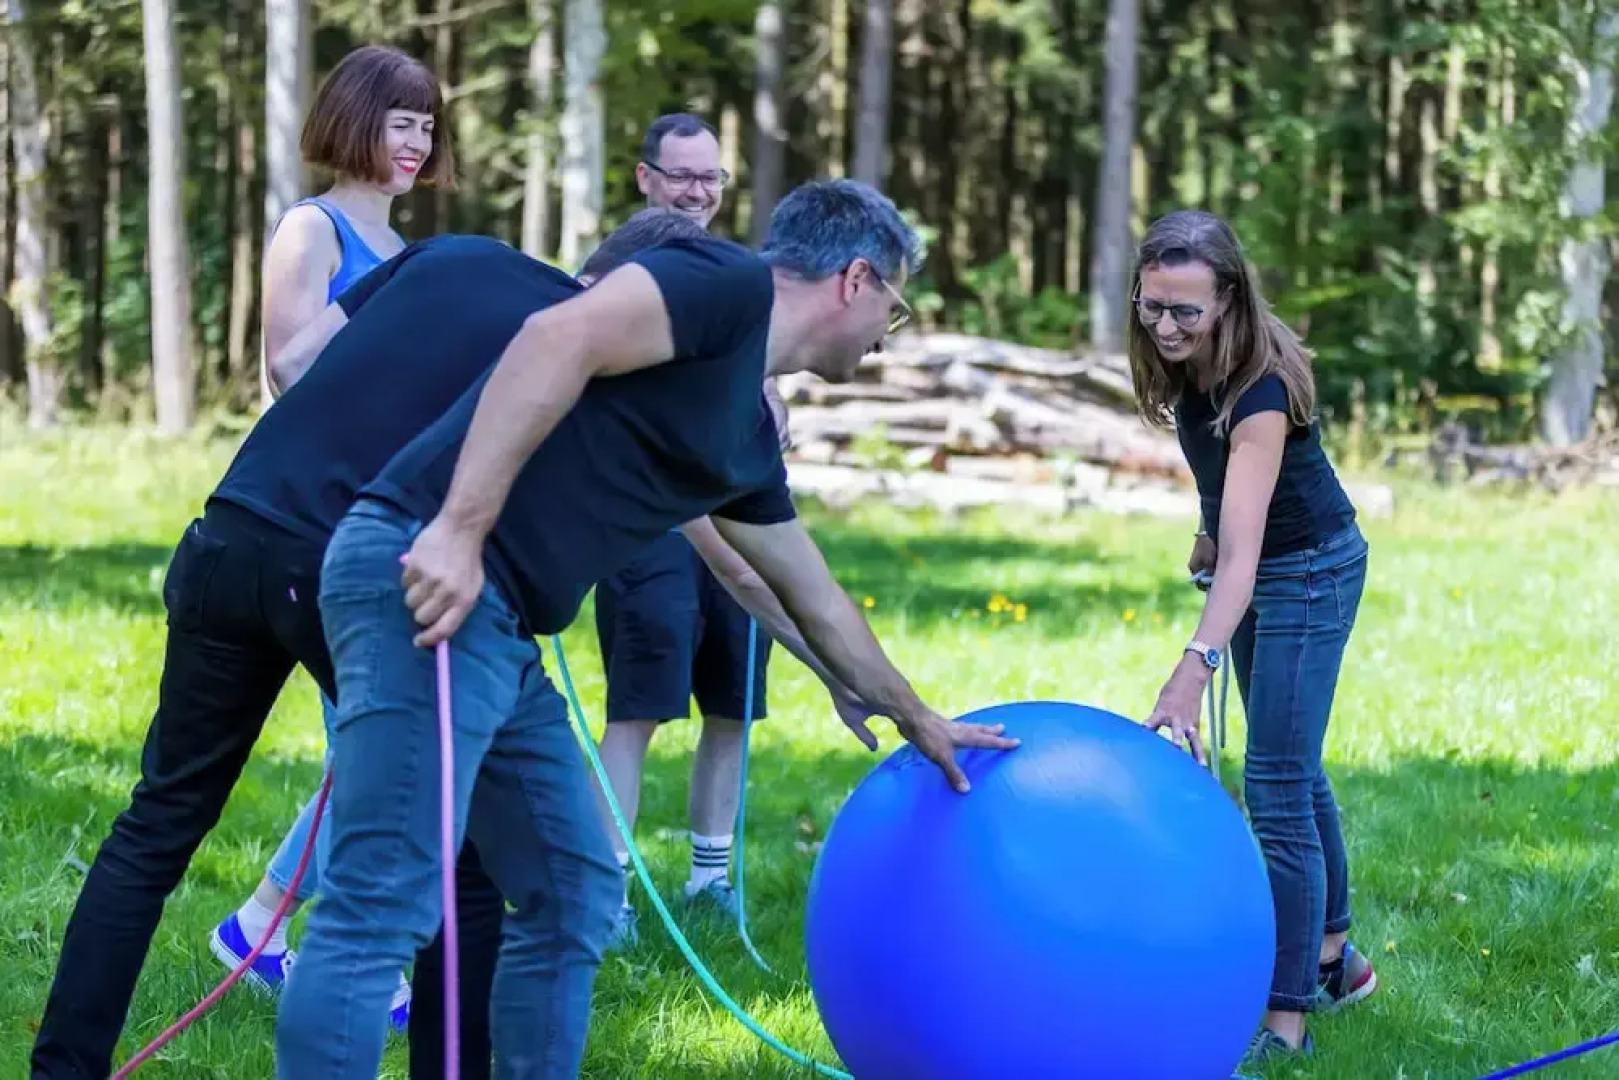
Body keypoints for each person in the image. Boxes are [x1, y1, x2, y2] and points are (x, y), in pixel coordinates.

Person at [273, 178, 1020, 1080]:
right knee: (380, 900)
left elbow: (805, 592)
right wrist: (460, 528)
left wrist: (911, 713)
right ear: (855, 280)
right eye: (892, 312)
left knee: (574, 884)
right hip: (427, 576)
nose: (881, 338)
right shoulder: (721, 283)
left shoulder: (742, 429)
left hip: (499, 629)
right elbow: (557, 334)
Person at [25, 210, 692, 1080]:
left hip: (229, 532)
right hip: (349, 564)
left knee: (159, 820)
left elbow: (295, 363)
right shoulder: (574, 351)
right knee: (468, 853)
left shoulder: (454, 252)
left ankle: (61, 1071)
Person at [207, 42, 454, 1031]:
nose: (417, 141)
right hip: (312, 520)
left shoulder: (411, 256)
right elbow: (286, 371)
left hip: (394, 517)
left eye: (428, 124)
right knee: (382, 743)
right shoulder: (311, 230)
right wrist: (378, 302)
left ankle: (284, 928)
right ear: (354, 119)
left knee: (387, 744)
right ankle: (286, 930)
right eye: (401, 121)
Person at [1127, 209, 1377, 1075]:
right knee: (1292, 770)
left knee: (1273, 788)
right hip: (1270, 561)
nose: (1164, 326)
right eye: (1151, 305)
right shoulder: (1192, 363)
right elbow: (1223, 497)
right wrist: (1204, 520)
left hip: (1308, 569)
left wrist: (1189, 670)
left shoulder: (1259, 388)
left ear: (1227, 298)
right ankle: (1334, 958)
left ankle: (1287, 1018)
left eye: (1184, 312)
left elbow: (1245, 561)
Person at [591, 112, 787, 947]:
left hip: (734, 518)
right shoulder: (616, 269)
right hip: (646, 528)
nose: (698, 192)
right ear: (644, 178)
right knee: (638, 709)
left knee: (732, 705)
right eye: (682, 176)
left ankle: (710, 881)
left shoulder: (735, 270)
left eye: (712, 178)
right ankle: (611, 894)